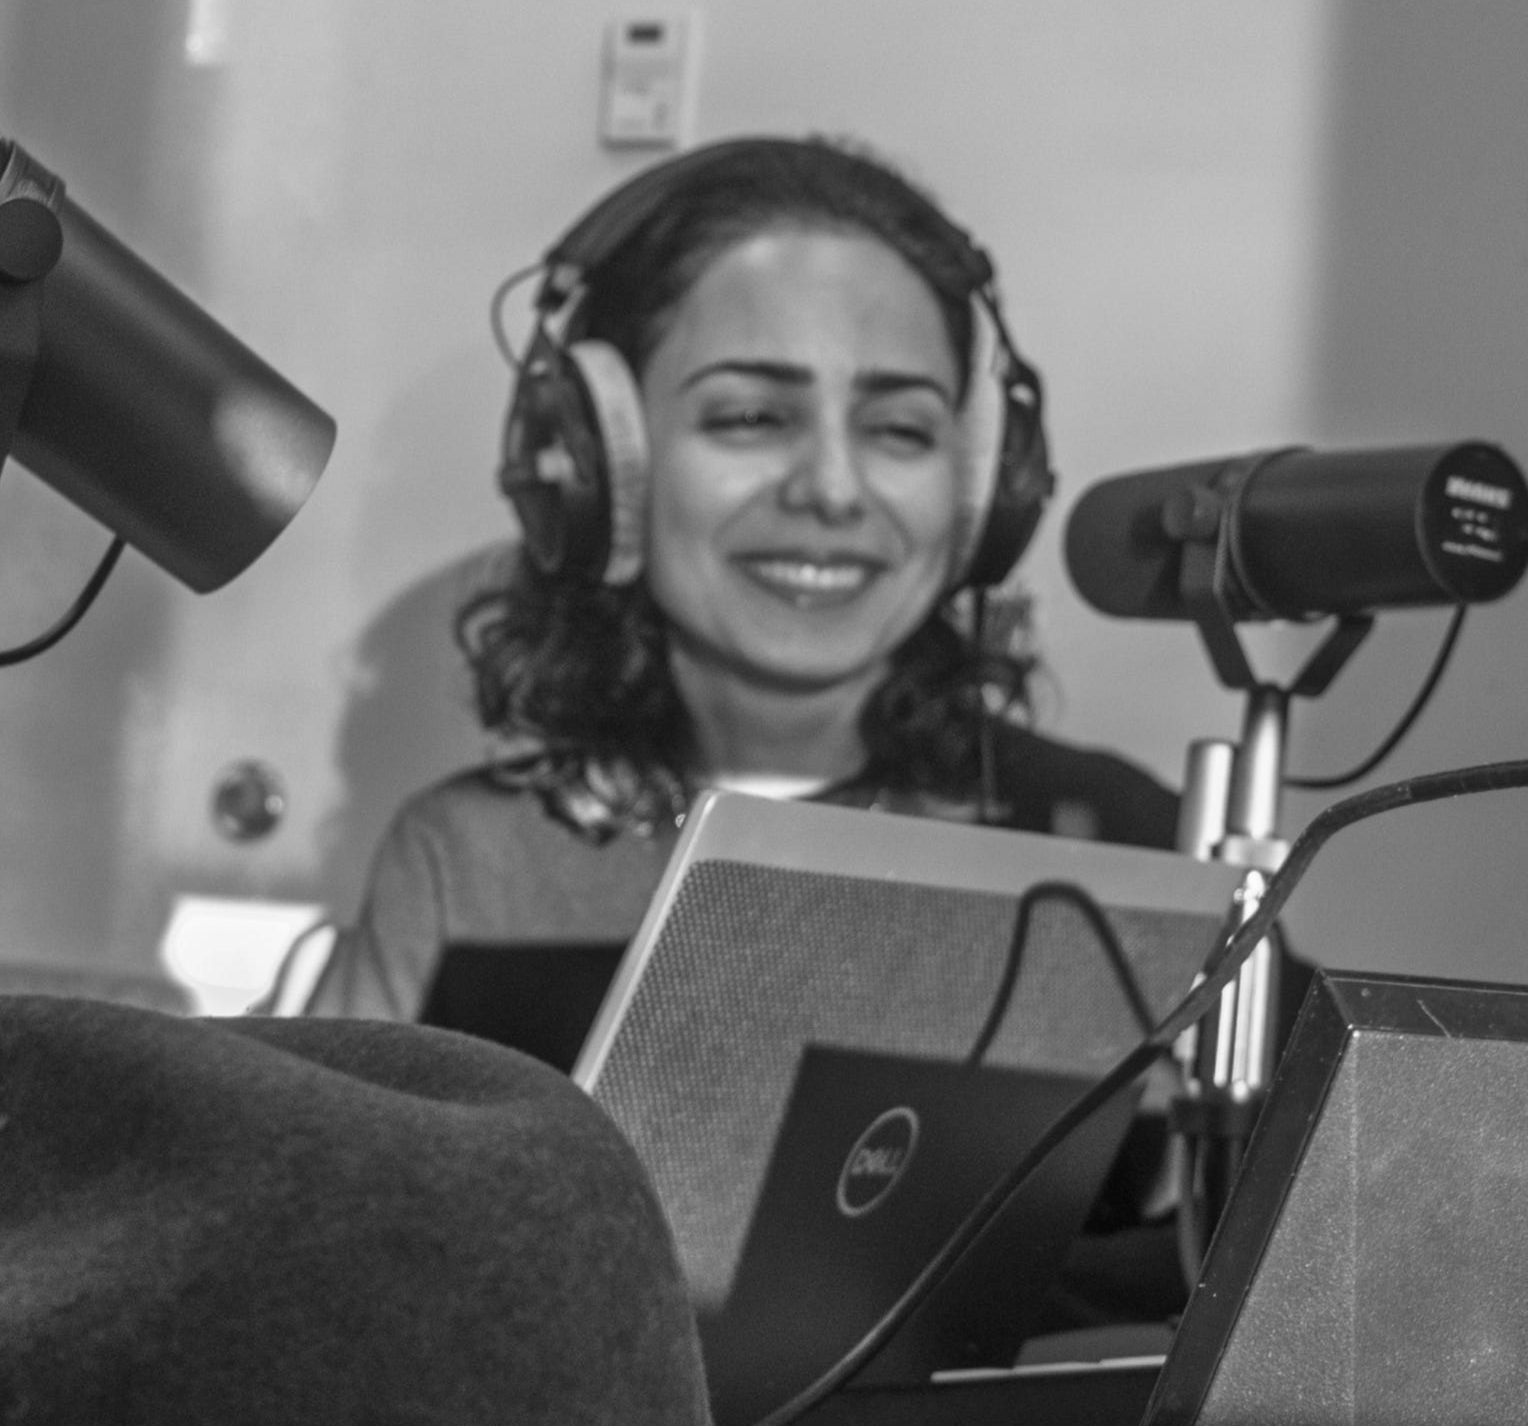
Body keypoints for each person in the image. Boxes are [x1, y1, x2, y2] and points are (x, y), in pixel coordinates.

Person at [314, 137, 1173, 1027]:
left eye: (900, 430)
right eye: (752, 417)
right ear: (599, 466)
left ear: (982, 490)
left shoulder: (1113, 841)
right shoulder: (467, 865)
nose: (833, 490)